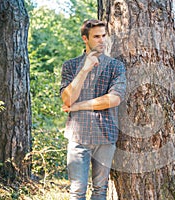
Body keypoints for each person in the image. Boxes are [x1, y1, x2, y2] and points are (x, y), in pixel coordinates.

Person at [60, 19, 126, 200]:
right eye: (96, 37)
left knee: (100, 190)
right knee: (77, 191)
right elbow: (67, 99)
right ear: (85, 39)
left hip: (105, 136)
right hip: (78, 137)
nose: (102, 40)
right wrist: (84, 70)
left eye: (104, 36)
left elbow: (114, 99)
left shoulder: (116, 66)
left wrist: (79, 106)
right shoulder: (70, 66)